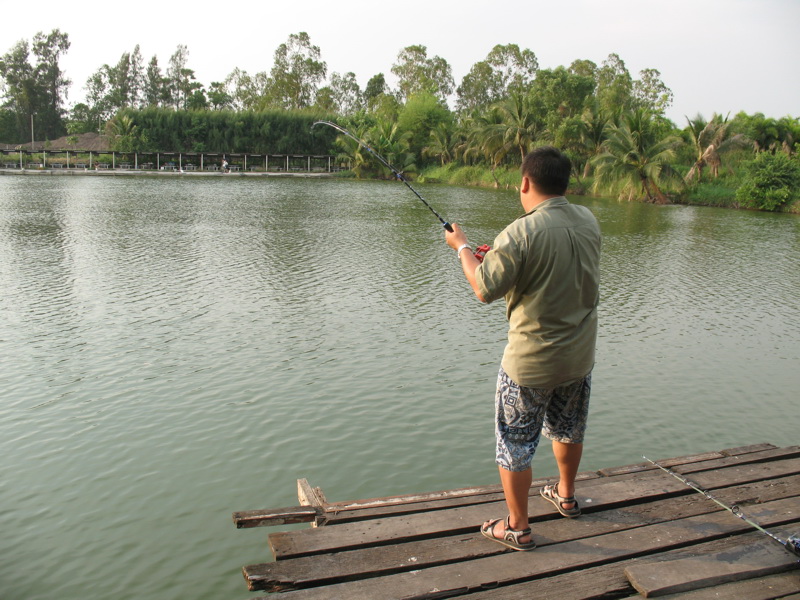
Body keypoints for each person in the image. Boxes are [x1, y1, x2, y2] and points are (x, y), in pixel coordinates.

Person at [444, 146, 601, 551]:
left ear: (526, 182)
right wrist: (493, 257)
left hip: (530, 364)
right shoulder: (588, 221)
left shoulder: (519, 232)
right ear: (565, 183)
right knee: (568, 428)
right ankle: (566, 497)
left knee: (514, 444)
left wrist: (462, 247)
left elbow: (483, 289)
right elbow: (550, 271)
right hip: (578, 356)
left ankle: (518, 526)